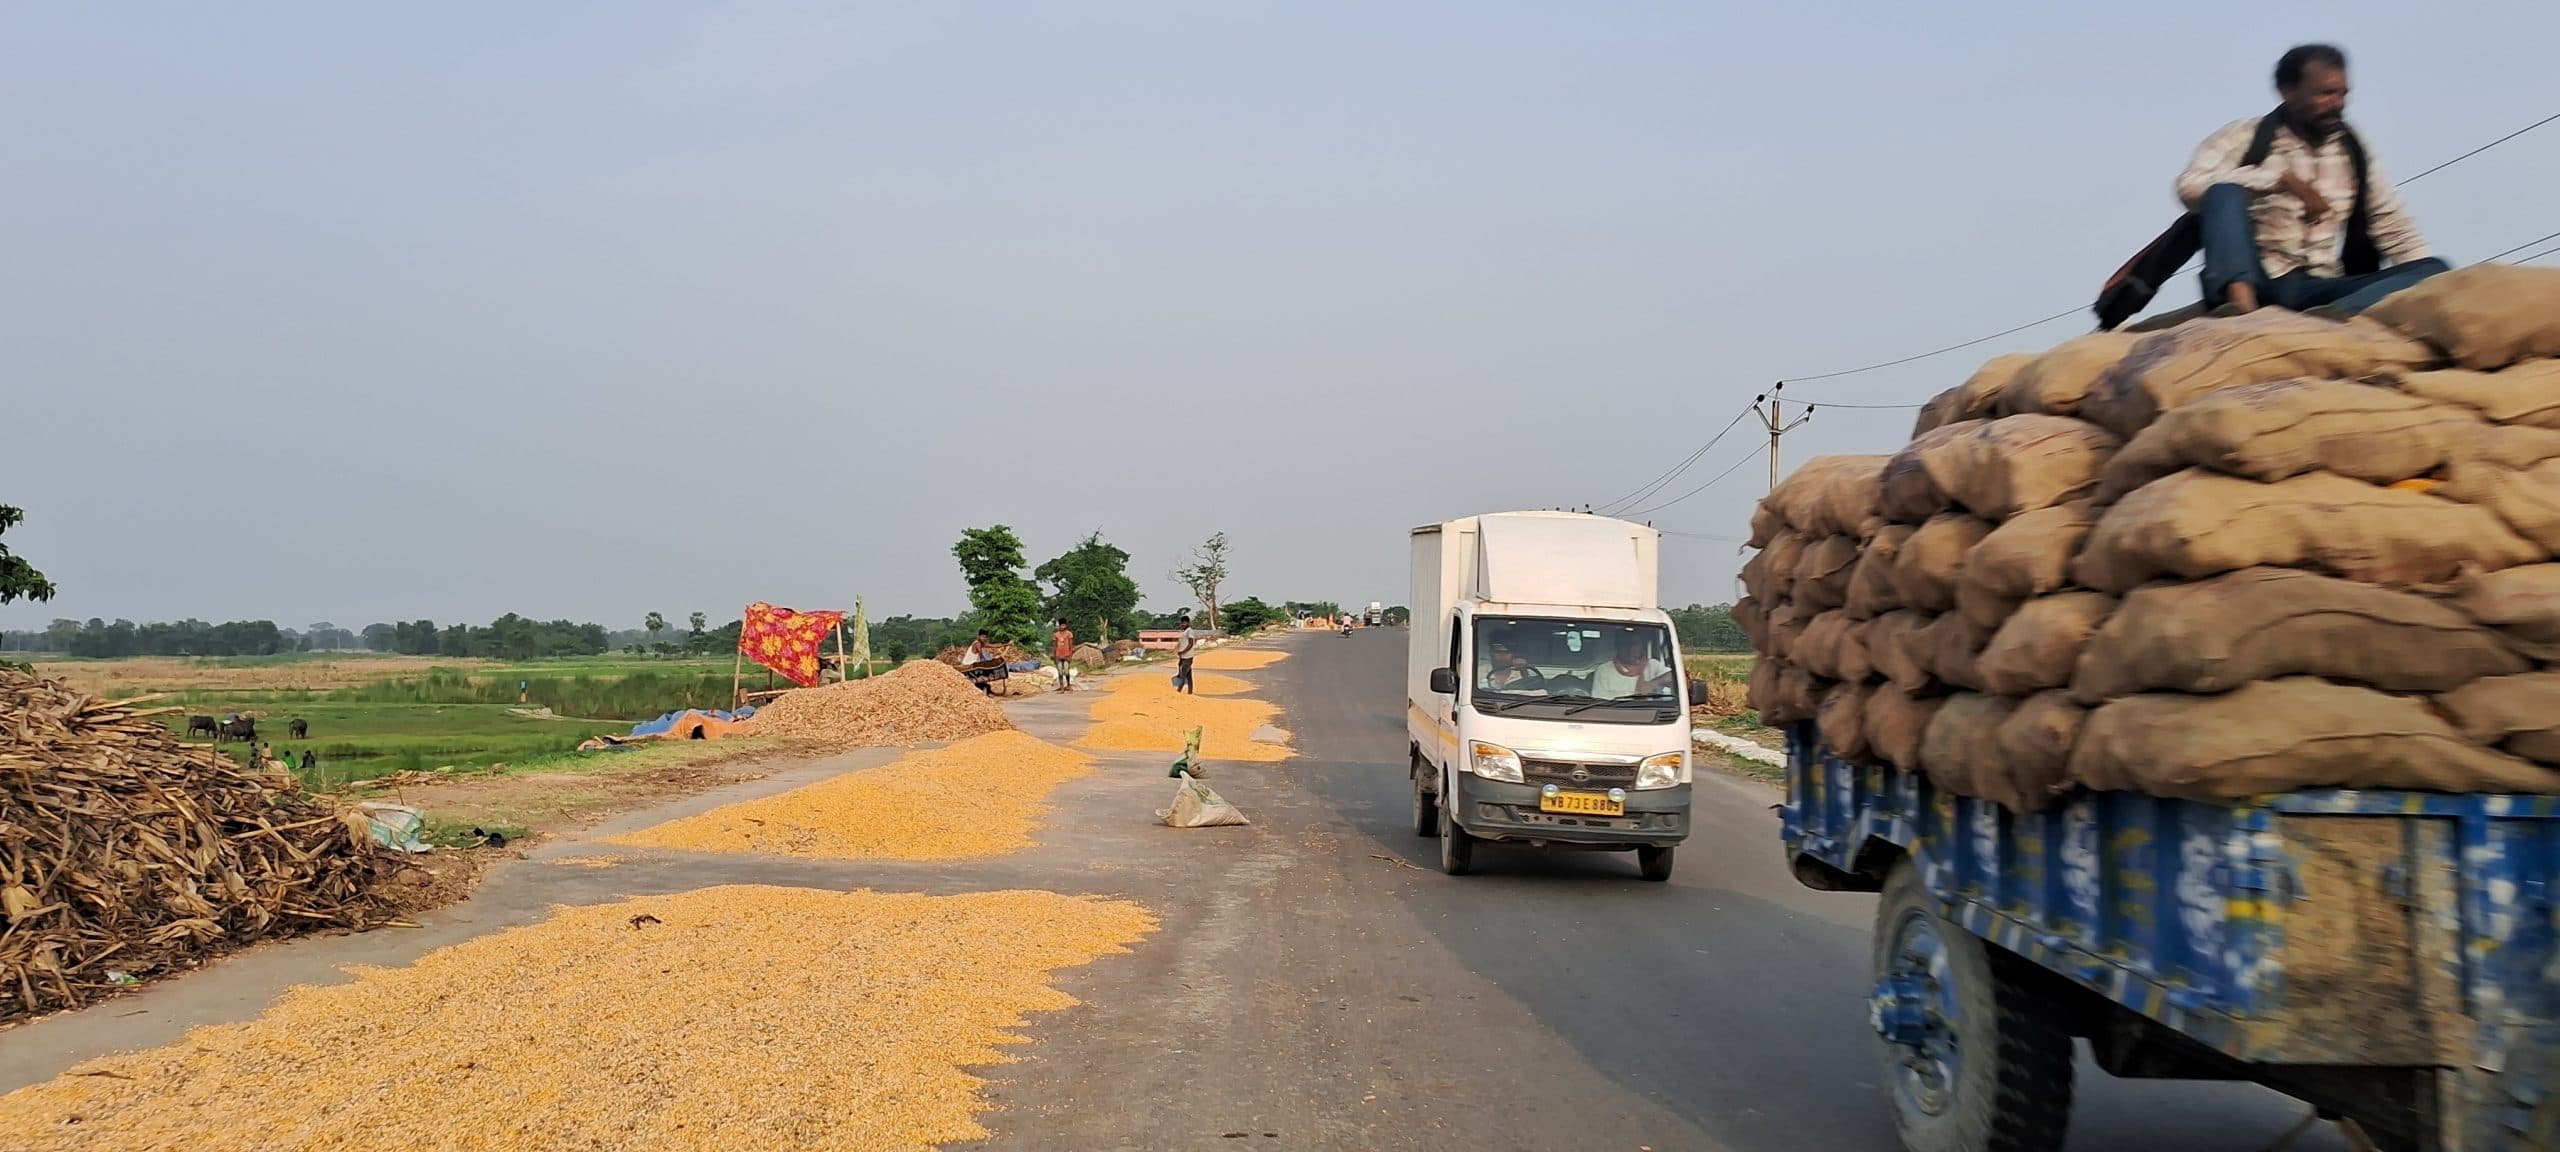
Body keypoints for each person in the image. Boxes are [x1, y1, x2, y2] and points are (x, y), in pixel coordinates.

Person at [2179, 44, 2447, 317]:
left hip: (2318, 286)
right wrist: (2280, 179)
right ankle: (2241, 309)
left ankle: (2335, 315)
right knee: (2223, 192)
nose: (2338, 104)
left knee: (2434, 270)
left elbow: (2390, 225)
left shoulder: (2352, 148)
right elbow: (2190, 186)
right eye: (2325, 93)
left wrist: (2429, 281)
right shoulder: (2244, 137)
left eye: (2342, 93)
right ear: (2288, 92)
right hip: (2259, 279)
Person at [1587, 631, 1673, 699]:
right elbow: (1599, 702)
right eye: (1626, 644)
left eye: (1634, 644)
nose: (1630, 649)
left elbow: (1674, 676)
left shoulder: (1652, 665)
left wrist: (1654, 683)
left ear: (1641, 647)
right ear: (1618, 647)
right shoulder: (1604, 670)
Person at [1173, 612, 1203, 694]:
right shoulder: (1184, 632)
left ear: (1188, 623)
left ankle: (1179, 691)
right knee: (1188, 675)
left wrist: (1183, 651)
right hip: (1183, 657)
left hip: (1188, 656)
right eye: (1182, 623)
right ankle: (1190, 691)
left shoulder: (1190, 631)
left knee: (1183, 675)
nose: (1182, 624)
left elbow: (1190, 643)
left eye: (1184, 623)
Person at [1052, 619, 1076, 692]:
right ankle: (1062, 687)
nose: (1062, 626)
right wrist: (1054, 656)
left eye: (1063, 625)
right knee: (1060, 672)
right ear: (1059, 626)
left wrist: (1070, 655)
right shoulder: (1056, 635)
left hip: (1066, 655)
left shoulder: (1069, 634)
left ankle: (1068, 685)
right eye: (1061, 625)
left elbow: (1071, 646)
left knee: (1066, 671)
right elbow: (1054, 646)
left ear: (1066, 625)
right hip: (1058, 656)